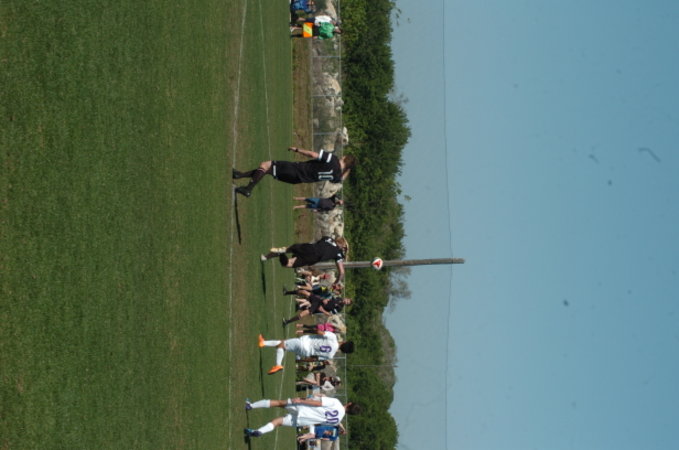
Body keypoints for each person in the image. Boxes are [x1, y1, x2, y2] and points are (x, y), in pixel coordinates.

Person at [232, 147, 355, 198]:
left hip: (297, 169)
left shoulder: (333, 160)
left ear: (345, 158)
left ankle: (248, 189)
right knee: (267, 170)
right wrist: (348, 170)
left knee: (266, 165)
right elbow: (341, 180)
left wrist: (297, 149)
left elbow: (313, 155)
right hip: (298, 179)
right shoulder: (337, 175)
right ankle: (239, 175)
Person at [243, 397, 360, 438]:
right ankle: (259, 431)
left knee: (279, 403)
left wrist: (301, 400)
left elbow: (318, 403)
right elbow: (318, 422)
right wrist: (311, 430)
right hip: (303, 420)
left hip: (303, 408)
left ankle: (250, 406)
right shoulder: (338, 420)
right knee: (278, 422)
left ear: (349, 404)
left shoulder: (337, 402)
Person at [261, 236, 348, 284]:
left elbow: (319, 243)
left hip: (309, 247)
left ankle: (266, 257)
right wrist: (335, 283)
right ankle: (281, 254)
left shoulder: (327, 238)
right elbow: (342, 273)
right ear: (342, 245)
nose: (344, 250)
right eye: (345, 248)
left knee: (287, 249)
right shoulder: (338, 253)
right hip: (312, 257)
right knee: (288, 264)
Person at [257, 330, 354, 374]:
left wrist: (306, 330)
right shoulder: (331, 355)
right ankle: (263, 343)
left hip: (304, 343)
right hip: (306, 352)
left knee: (282, 344)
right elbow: (315, 358)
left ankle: (277, 365)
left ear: (344, 342)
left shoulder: (333, 337)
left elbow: (319, 332)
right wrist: (302, 360)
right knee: (283, 344)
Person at [282, 296, 352, 326]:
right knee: (307, 296)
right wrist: (326, 299)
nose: (346, 301)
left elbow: (329, 314)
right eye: (347, 300)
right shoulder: (339, 298)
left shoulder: (339, 308)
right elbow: (330, 299)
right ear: (346, 298)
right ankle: (289, 293)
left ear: (346, 304)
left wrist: (322, 310)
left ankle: (287, 321)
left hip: (318, 308)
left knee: (303, 313)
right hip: (319, 302)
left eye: (347, 303)